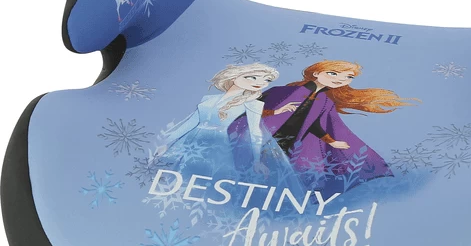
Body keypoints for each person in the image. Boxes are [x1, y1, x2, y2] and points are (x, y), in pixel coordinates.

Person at [229, 60, 418, 196]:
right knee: (255, 167)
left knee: (277, 174)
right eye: (333, 73)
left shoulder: (325, 101)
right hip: (264, 136)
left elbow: (315, 125)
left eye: (348, 77)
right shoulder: (284, 91)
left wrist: (331, 141)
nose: (340, 79)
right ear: (316, 73)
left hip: (291, 142)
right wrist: (275, 112)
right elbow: (251, 110)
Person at [157, 63, 296, 184]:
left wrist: (256, 160)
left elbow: (255, 131)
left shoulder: (253, 104)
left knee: (202, 179)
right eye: (253, 77)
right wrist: (166, 143)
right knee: (170, 176)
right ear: (234, 77)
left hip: (217, 144)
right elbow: (190, 123)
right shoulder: (208, 98)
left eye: (267, 80)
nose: (261, 82)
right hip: (188, 142)